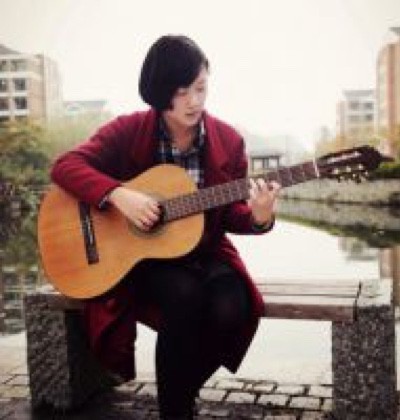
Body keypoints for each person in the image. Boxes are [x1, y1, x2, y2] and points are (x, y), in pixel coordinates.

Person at [51, 34, 280, 419]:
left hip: (205, 250)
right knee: (185, 297)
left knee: (233, 309)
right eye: (181, 91)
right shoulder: (130, 129)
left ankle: (177, 395)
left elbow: (230, 215)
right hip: (143, 258)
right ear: (159, 92)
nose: (194, 101)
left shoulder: (229, 141)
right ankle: (176, 411)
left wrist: (259, 217)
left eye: (200, 88)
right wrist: (118, 195)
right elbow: (65, 166)